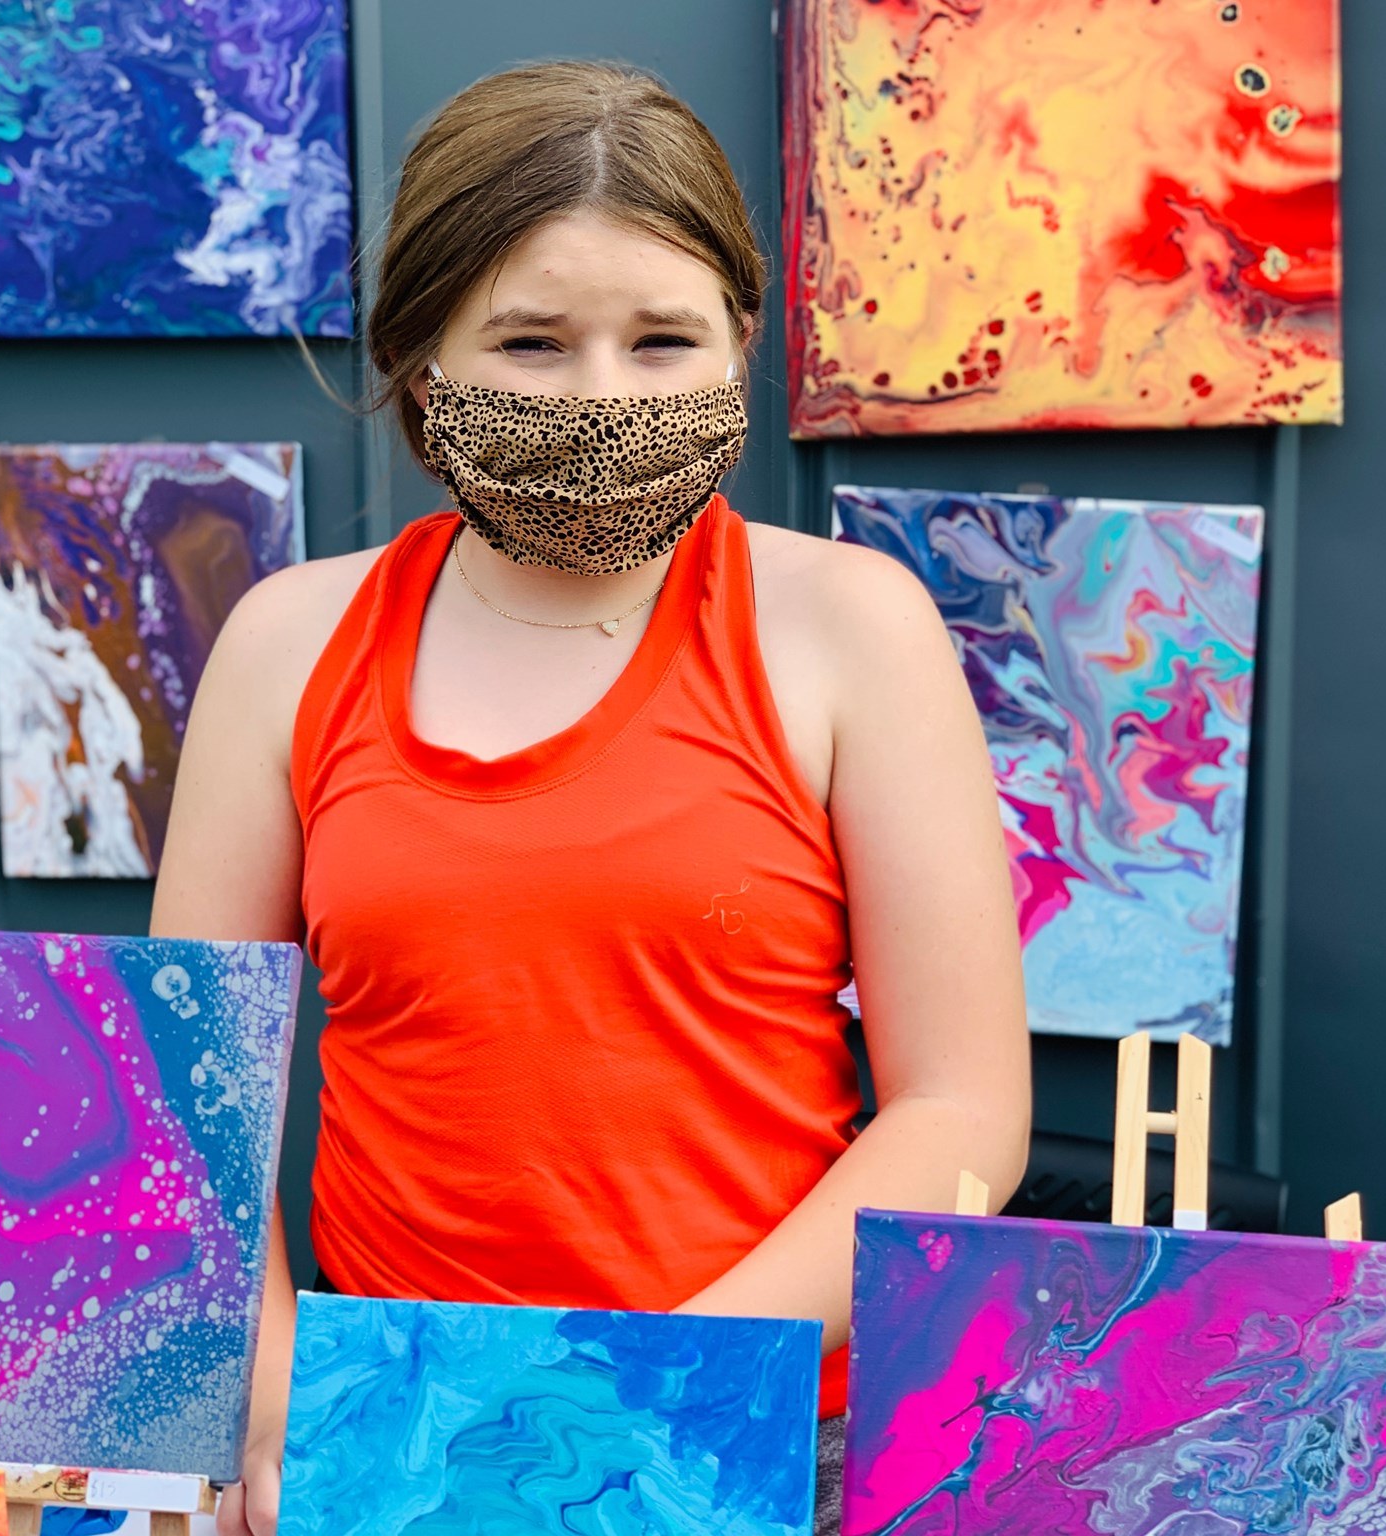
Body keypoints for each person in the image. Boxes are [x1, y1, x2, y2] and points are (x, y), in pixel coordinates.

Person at [151, 59, 1030, 1536]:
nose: (603, 396)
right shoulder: (289, 642)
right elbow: (195, 1105)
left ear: (741, 341)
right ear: (421, 354)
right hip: (382, 1451)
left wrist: (630, 1401)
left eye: (663, 338)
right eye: (533, 341)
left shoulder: (851, 628)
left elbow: (963, 1107)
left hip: (751, 1442)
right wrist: (277, 1400)